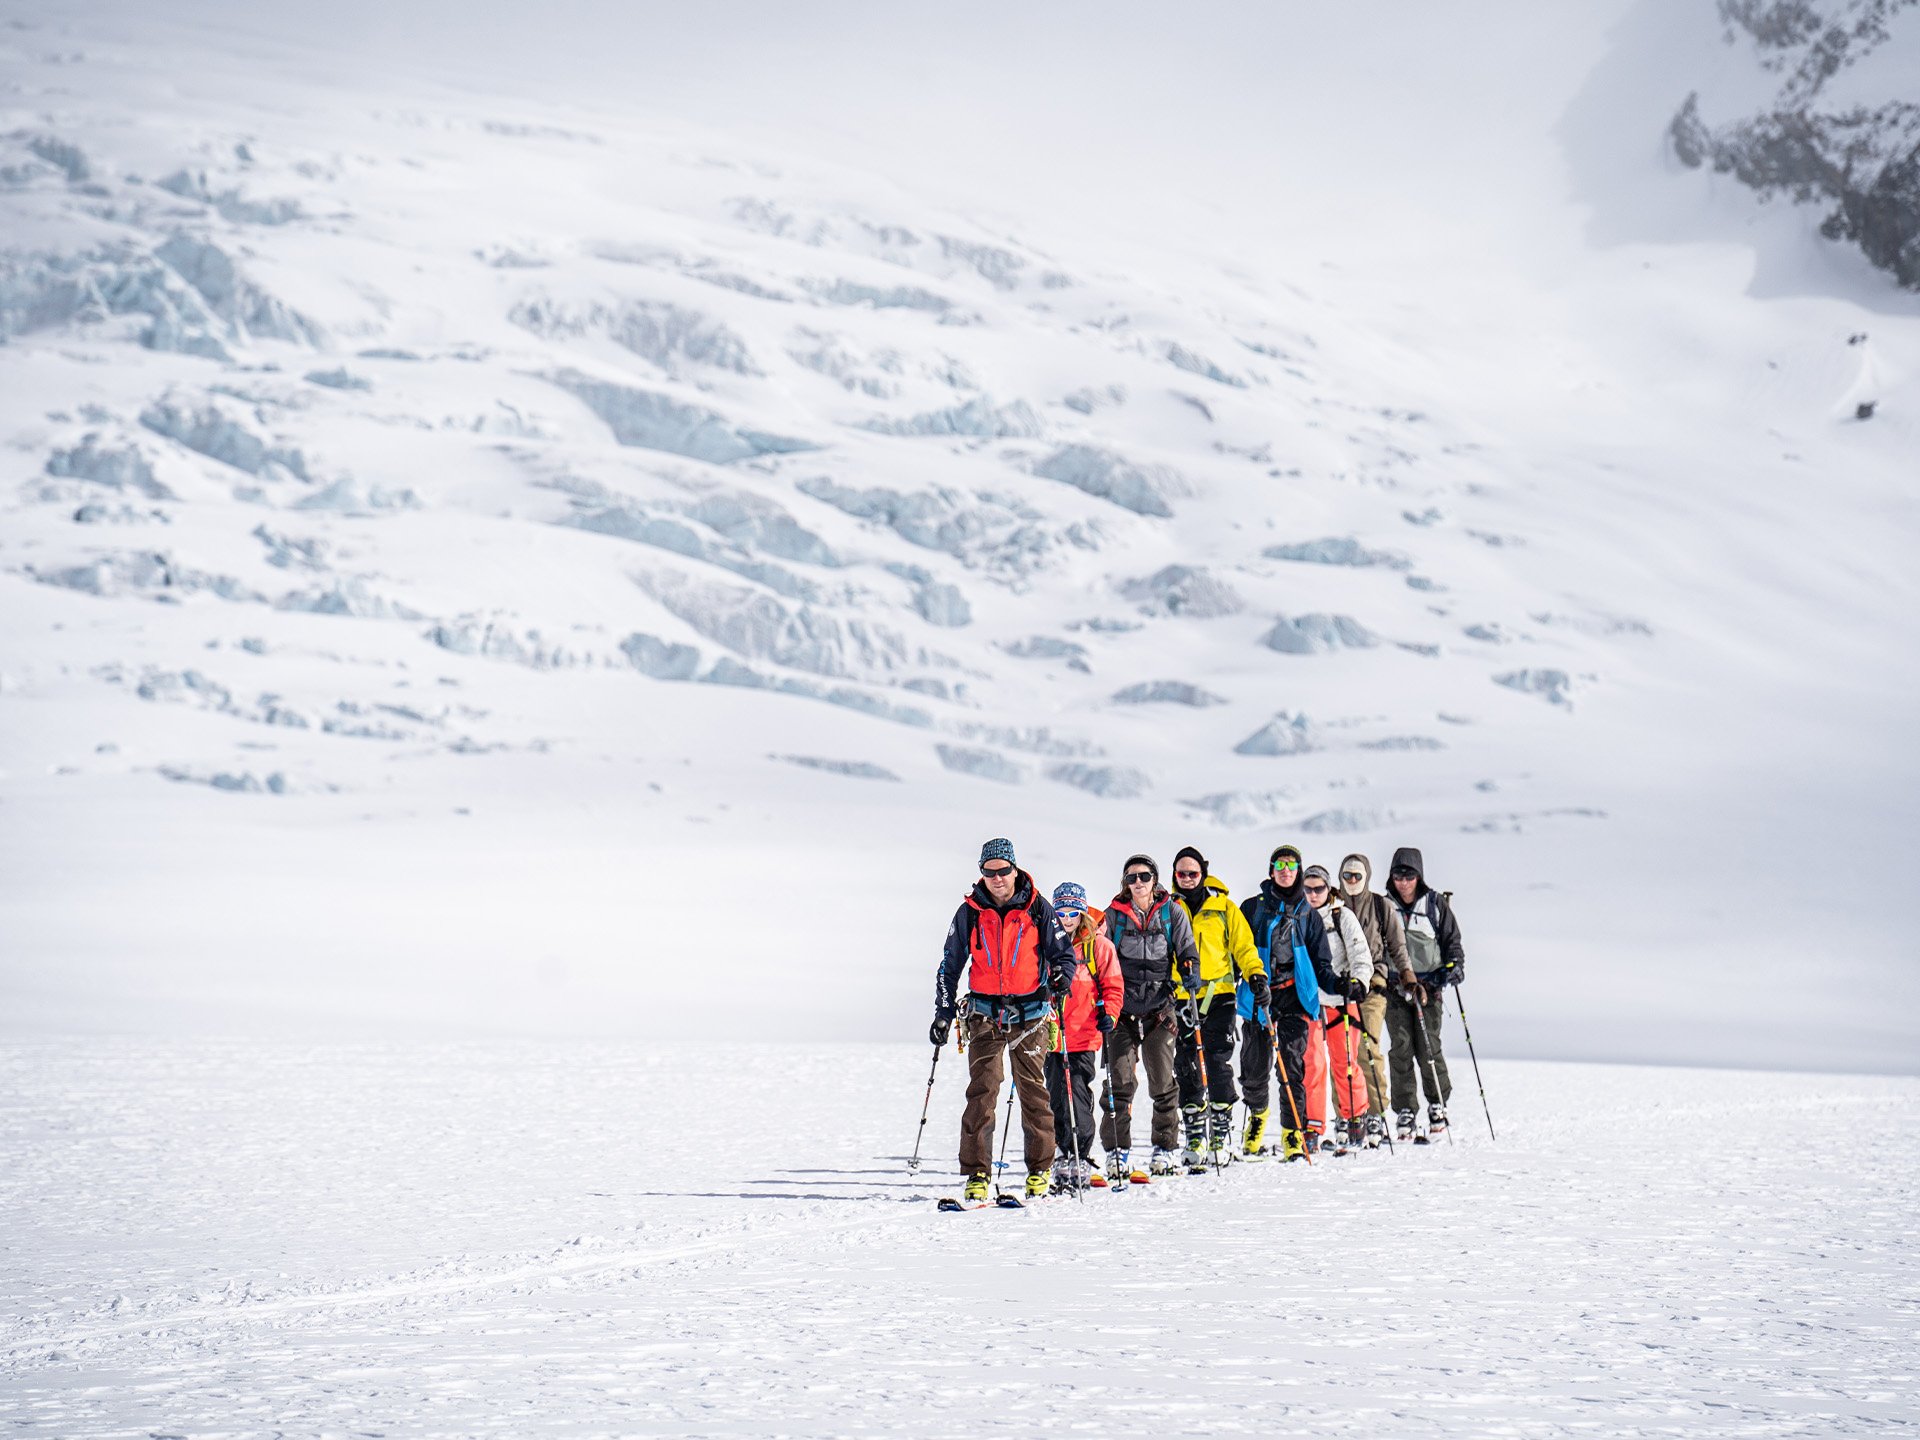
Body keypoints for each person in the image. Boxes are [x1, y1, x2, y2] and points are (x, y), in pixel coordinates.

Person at [931, 838, 1076, 1202]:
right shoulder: (970, 912)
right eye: (989, 871)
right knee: (982, 1093)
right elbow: (950, 966)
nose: (996, 878)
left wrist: (1061, 977)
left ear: (1015, 869)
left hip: (1031, 1017)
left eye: (1003, 870)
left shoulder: (1038, 908)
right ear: (981, 872)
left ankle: (1040, 1171)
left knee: (1033, 1093)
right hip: (983, 1015)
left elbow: (1064, 956)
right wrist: (943, 1013)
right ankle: (977, 1175)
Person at [1098, 853, 1200, 1180]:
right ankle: (1117, 1150)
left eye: (1144, 876)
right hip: (1121, 1009)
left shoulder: (1173, 913)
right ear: (1124, 884)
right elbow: (1099, 952)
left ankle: (1165, 1147)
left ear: (1154, 879)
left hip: (1159, 1007)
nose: (1138, 883)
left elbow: (1186, 950)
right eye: (1132, 878)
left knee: (1162, 1079)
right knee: (1120, 1079)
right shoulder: (1113, 916)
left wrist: (1189, 970)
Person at [1238, 844, 1343, 1162]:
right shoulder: (1252, 908)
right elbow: (1237, 952)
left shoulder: (1308, 915)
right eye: (1279, 864)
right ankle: (1258, 1118)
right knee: (1254, 1070)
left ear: (1298, 871)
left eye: (1292, 865)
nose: (1285, 869)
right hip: (1259, 994)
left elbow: (1321, 963)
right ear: (1271, 870)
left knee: (1292, 1067)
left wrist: (1340, 985)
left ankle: (1292, 1134)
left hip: (1295, 996)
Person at [1169, 846, 1267, 1169]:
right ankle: (1195, 1130)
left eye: (1192, 874)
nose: (1186, 879)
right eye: (1181, 874)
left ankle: (1221, 1130)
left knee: (1216, 1058)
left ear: (1203, 873)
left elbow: (1243, 945)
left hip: (1219, 994)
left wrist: (1256, 975)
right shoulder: (1167, 908)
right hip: (1182, 996)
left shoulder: (1224, 907)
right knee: (1186, 1063)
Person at [1044, 882, 1124, 1193]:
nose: (1066, 919)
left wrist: (1111, 1014)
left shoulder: (1098, 946)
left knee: (1076, 1093)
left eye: (1073, 912)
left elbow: (1113, 988)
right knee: (1054, 1096)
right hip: (1051, 1034)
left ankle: (1079, 1153)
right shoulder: (1044, 941)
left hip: (1082, 1033)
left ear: (1082, 913)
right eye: (1060, 912)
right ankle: (1062, 1153)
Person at [1384, 845, 1466, 1143]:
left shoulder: (1435, 904)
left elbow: (1452, 940)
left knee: (1428, 1046)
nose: (1403, 882)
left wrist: (1455, 966)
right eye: (1398, 875)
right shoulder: (1385, 906)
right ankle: (1405, 1108)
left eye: (1409, 875)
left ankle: (1437, 1103)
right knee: (1401, 1047)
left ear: (1419, 876)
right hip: (1395, 988)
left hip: (1429, 988)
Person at [1339, 852, 1414, 1149]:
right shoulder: (1333, 906)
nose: (1353, 881)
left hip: (1373, 987)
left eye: (1358, 876)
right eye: (1347, 876)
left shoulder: (1382, 907)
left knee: (1367, 1047)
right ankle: (1347, 1113)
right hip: (1339, 988)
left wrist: (1407, 974)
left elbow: (1397, 944)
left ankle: (1375, 1110)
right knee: (1343, 1052)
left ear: (1367, 876)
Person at [1302, 864, 1375, 1155]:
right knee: (1313, 1065)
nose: (1313, 894)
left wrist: (1359, 981)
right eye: (1307, 888)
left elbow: (1360, 952)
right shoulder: (1298, 916)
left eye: (1318, 888)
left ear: (1328, 888)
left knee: (1345, 1062)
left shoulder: (1341, 916)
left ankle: (1354, 1118)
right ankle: (1313, 1126)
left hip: (1341, 1002)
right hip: (1309, 1002)